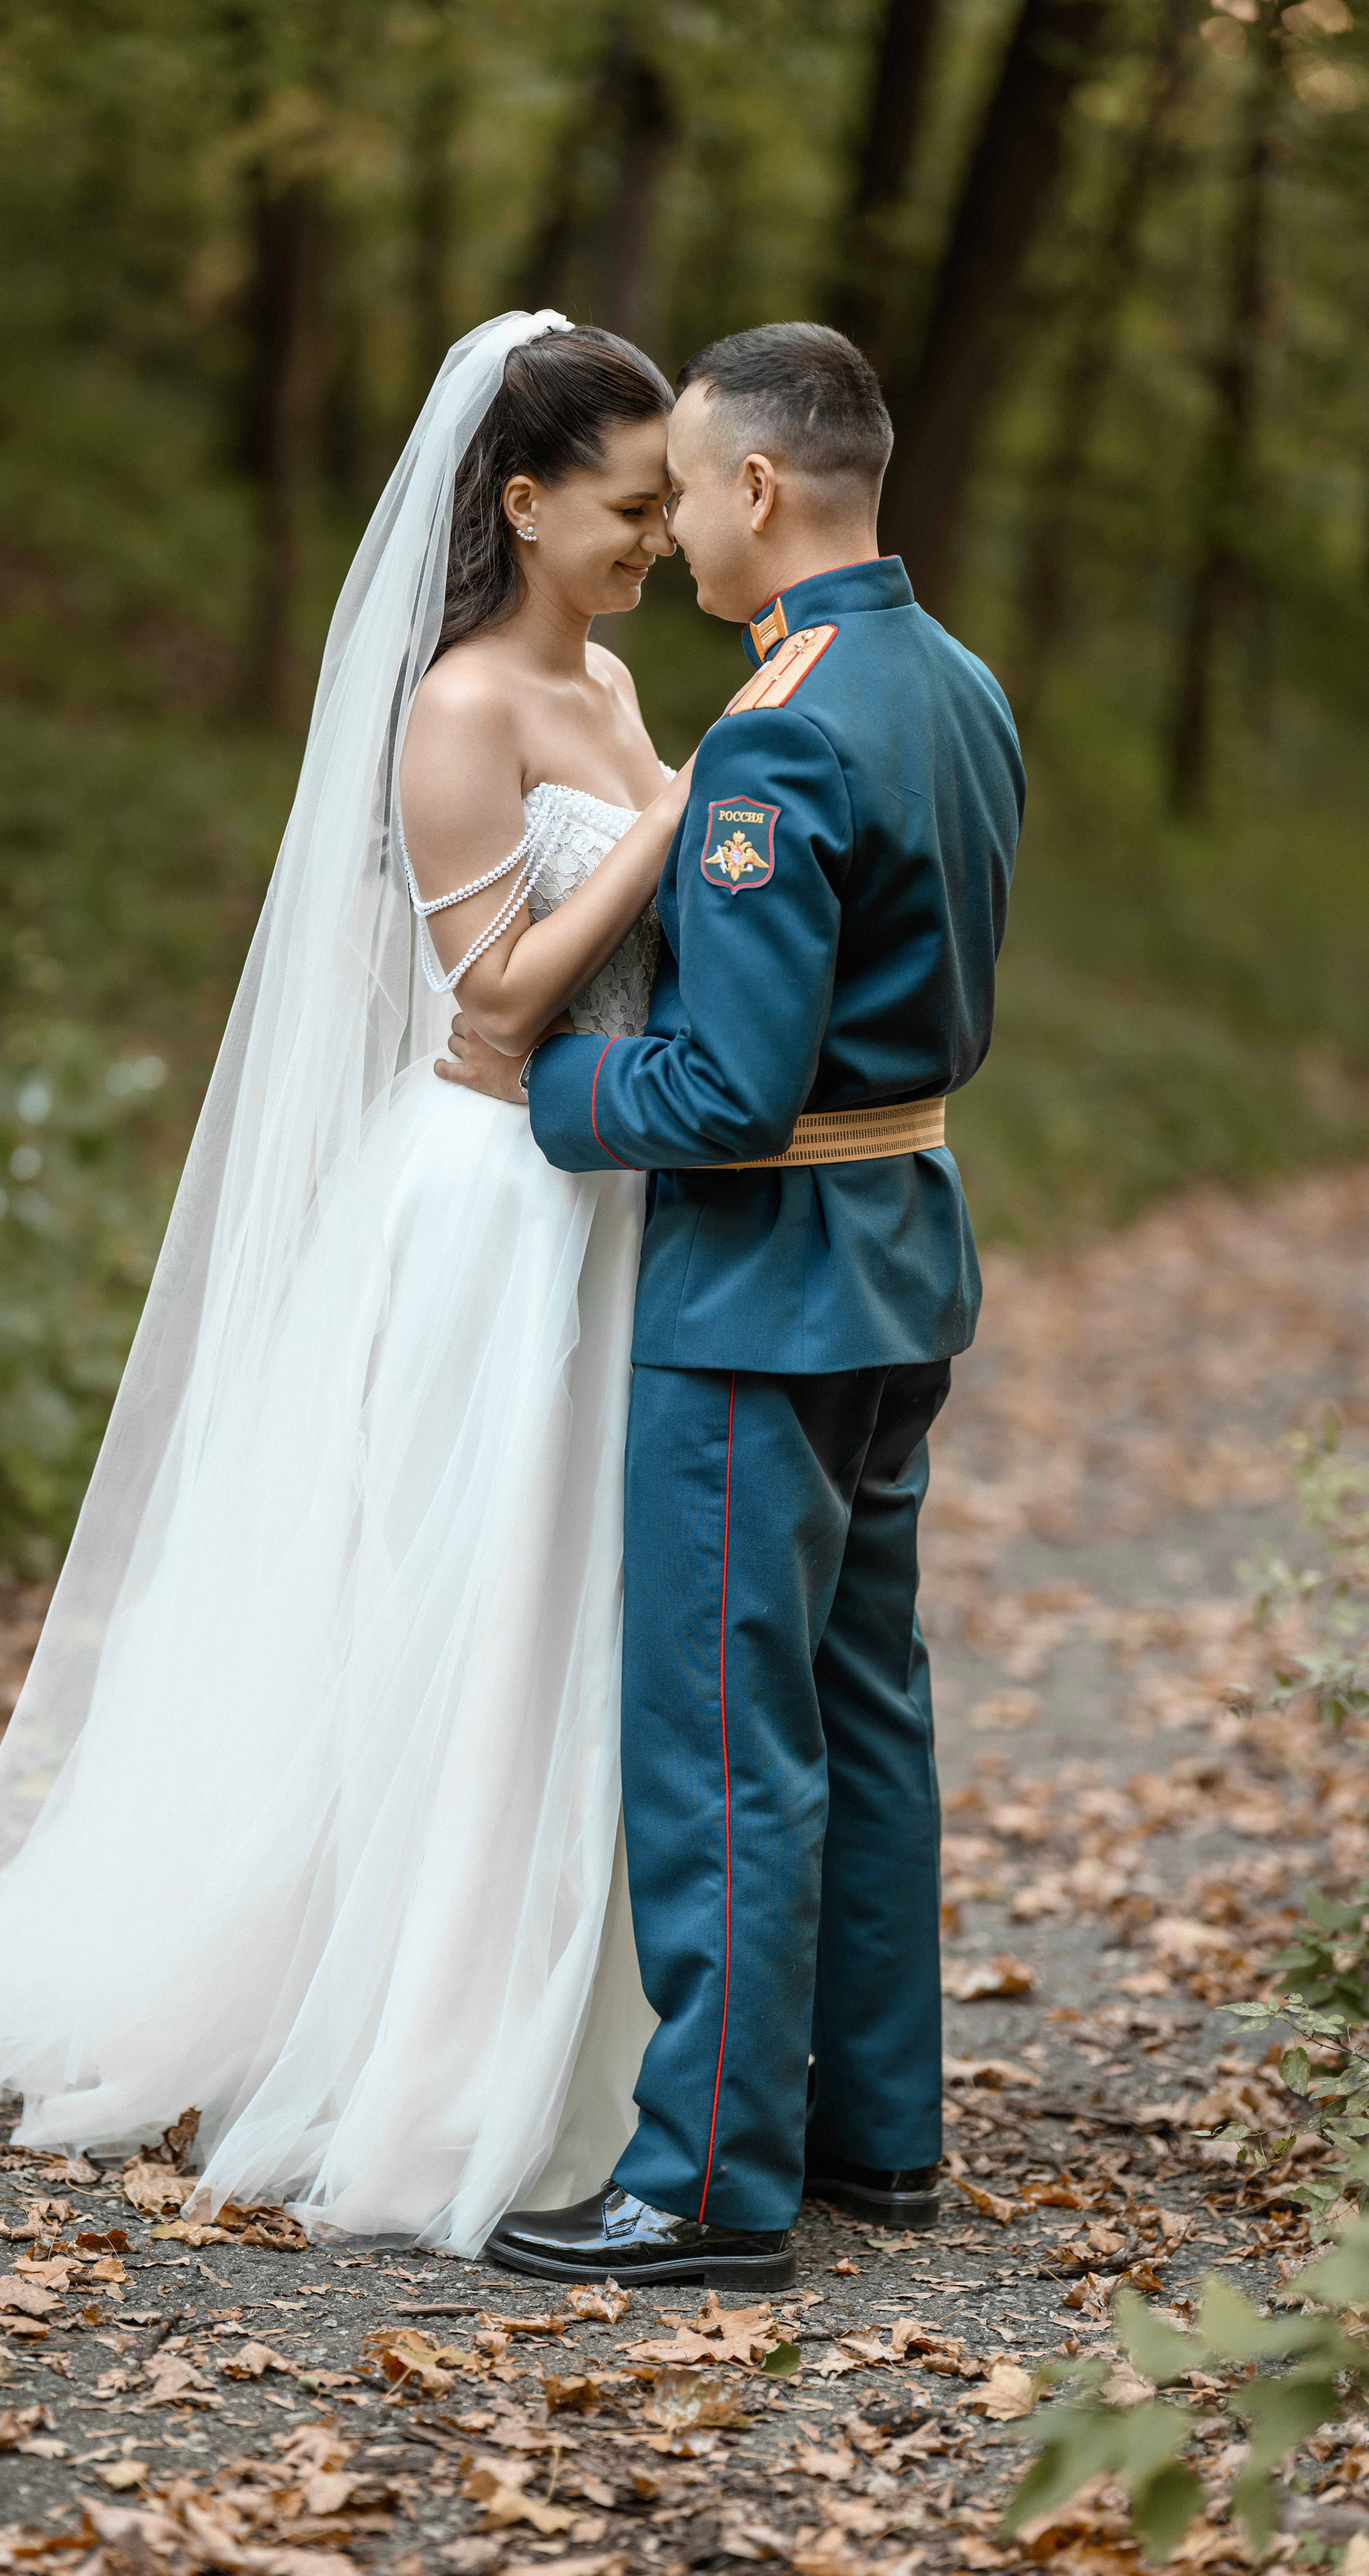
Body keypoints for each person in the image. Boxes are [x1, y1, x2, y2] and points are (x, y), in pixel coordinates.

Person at [0, 313, 699, 2257]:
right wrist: (668, 826)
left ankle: (582, 2023)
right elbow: (492, 990)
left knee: (575, 1614)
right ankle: (405, 2041)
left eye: (667, 506)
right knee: (461, 1602)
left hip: (617, 1184)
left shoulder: (623, 676)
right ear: (523, 499)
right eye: (629, 503)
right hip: (492, 1202)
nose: (655, 537)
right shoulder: (457, 710)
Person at [448, 323, 1024, 2288]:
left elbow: (720, 1089)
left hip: (762, 1293)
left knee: (726, 1744)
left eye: (688, 487)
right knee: (867, 1714)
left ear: (759, 490)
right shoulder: (952, 685)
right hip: (905, 1262)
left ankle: (701, 2188)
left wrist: (548, 1090)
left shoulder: (779, 732)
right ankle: (881, 2137)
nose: (676, 526)